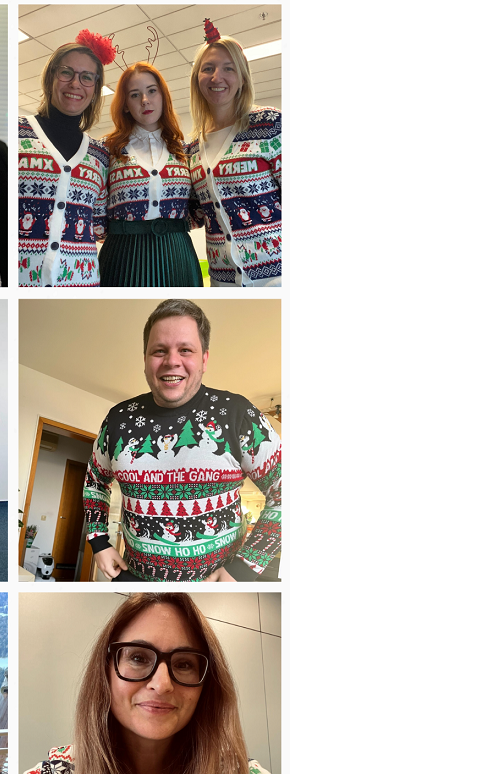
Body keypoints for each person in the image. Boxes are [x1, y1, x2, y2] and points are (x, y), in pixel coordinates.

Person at [17, 593, 281, 774]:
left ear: (207, 685)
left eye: (184, 664)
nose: (162, 684)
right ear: (105, 670)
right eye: (139, 657)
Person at [83, 300, 281, 581]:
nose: (171, 361)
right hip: (136, 583)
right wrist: (99, 541)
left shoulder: (238, 413)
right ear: (145, 359)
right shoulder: (118, 420)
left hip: (216, 591)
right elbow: (94, 481)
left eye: (185, 350)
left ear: (204, 359)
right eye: (159, 351)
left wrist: (245, 568)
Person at [187, 20, 281, 286]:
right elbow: (194, 215)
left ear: (242, 78)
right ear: (197, 78)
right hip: (223, 281)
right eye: (208, 69)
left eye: (229, 69)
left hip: (277, 278)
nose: (217, 77)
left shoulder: (270, 125)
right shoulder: (192, 149)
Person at [17, 30, 113, 286]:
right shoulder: (15, 133)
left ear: (95, 89)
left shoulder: (100, 154)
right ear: (50, 77)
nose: (75, 84)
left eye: (87, 77)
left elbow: (99, 225)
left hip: (82, 282)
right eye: (66, 72)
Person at [100, 62, 202, 287]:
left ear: (163, 96)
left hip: (177, 255)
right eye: (135, 95)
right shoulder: (107, 150)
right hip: (123, 256)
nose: (145, 100)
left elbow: (198, 206)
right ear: (125, 105)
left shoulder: (185, 151)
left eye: (152, 91)